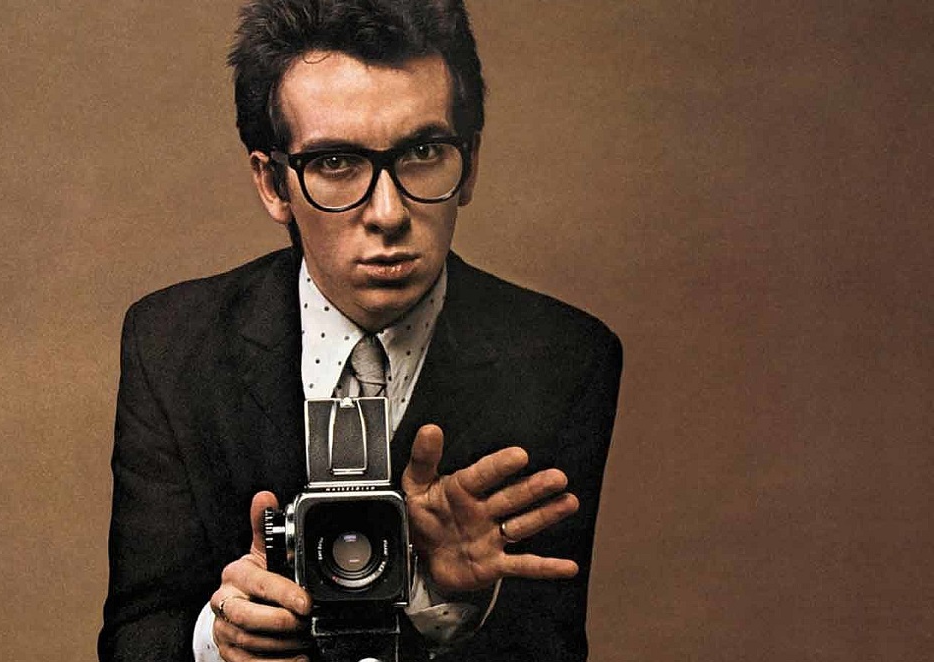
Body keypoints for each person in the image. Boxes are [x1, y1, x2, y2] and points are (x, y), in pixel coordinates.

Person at [98, 1, 622, 660]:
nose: (388, 212)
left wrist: (443, 600)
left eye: (423, 152)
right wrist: (218, 640)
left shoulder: (564, 358)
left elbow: (548, 643)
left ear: (471, 163)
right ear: (273, 184)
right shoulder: (171, 344)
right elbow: (136, 635)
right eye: (337, 163)